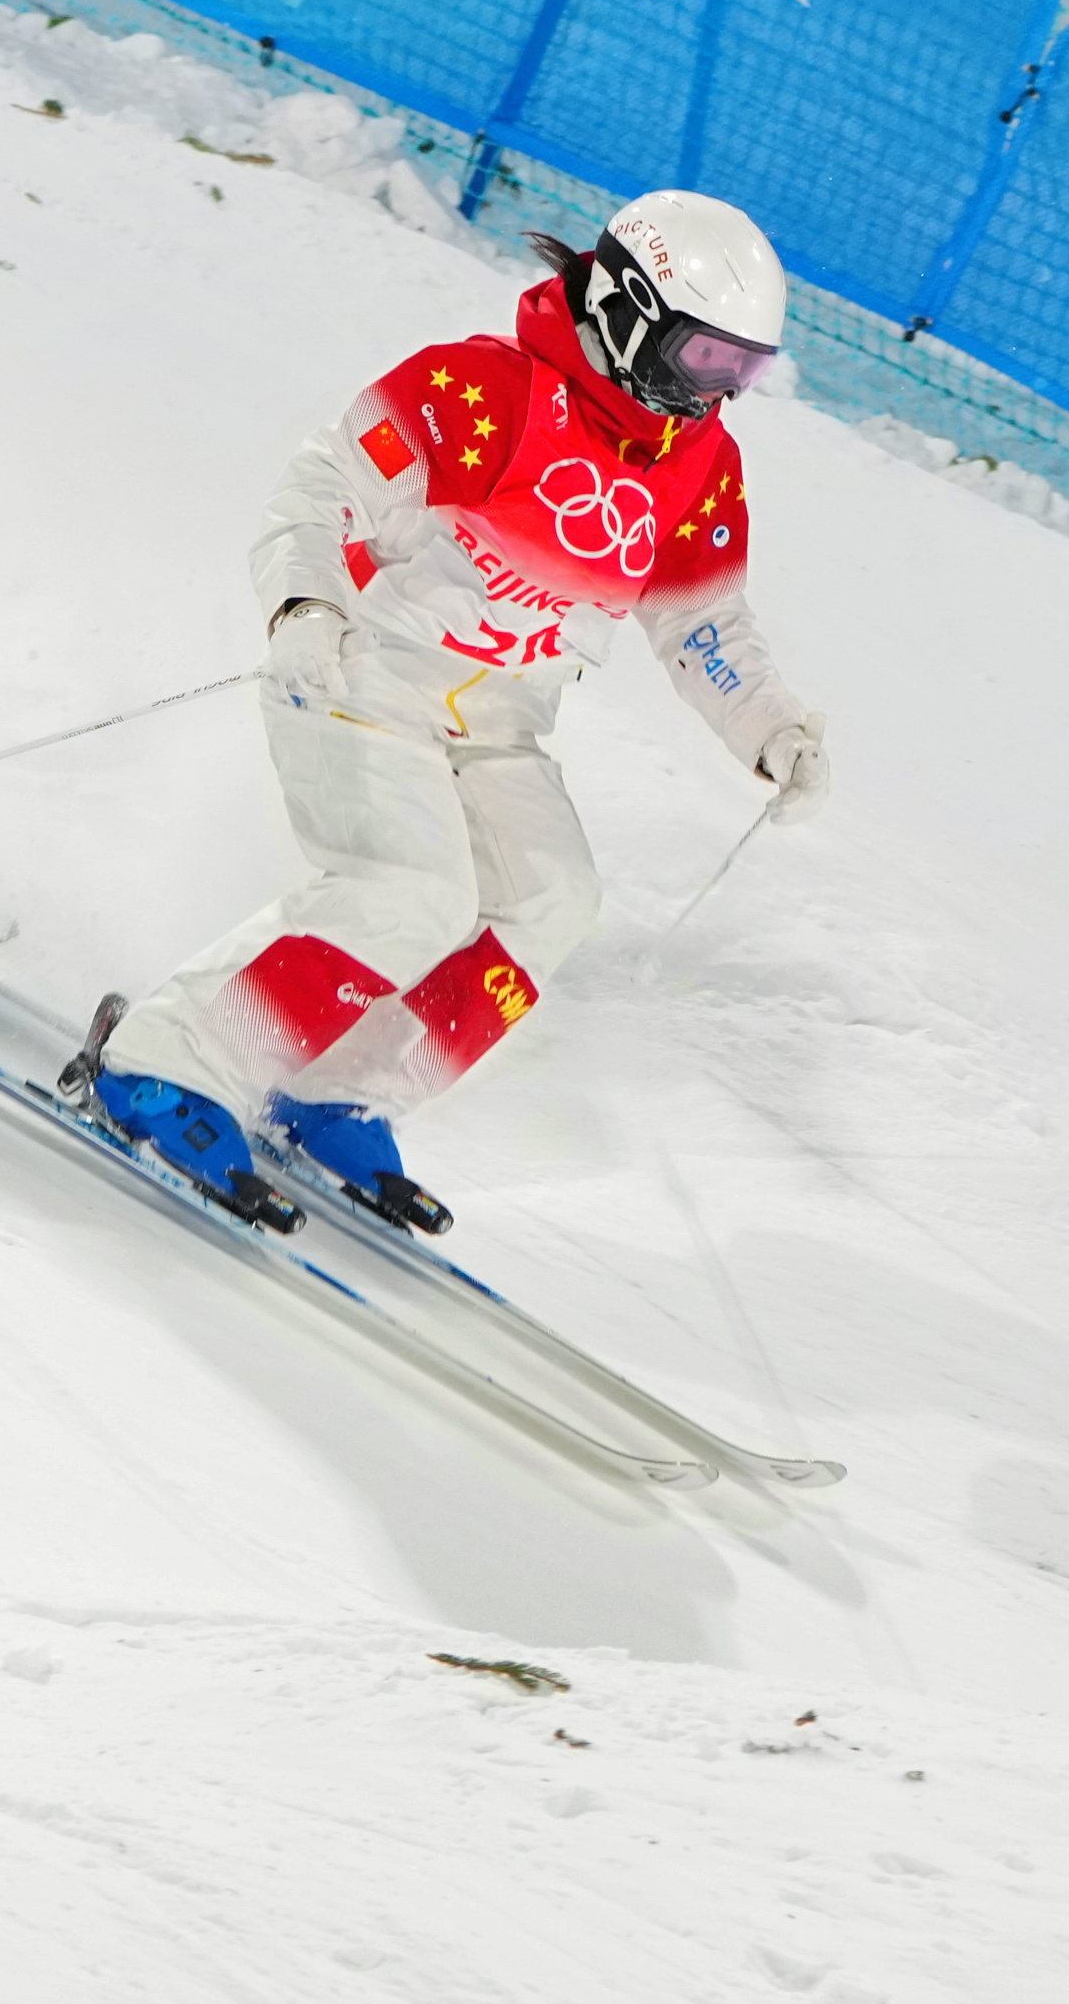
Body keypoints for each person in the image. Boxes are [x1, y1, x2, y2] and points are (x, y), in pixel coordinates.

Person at [62, 190, 832, 1236]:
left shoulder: (696, 465)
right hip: (364, 677)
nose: (717, 392)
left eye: (742, 369)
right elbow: (318, 493)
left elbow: (702, 626)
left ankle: (342, 1092)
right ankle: (158, 1064)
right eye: (704, 357)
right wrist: (304, 606)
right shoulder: (484, 394)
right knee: (411, 893)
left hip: (500, 724)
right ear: (623, 306)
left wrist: (770, 726)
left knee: (553, 901)